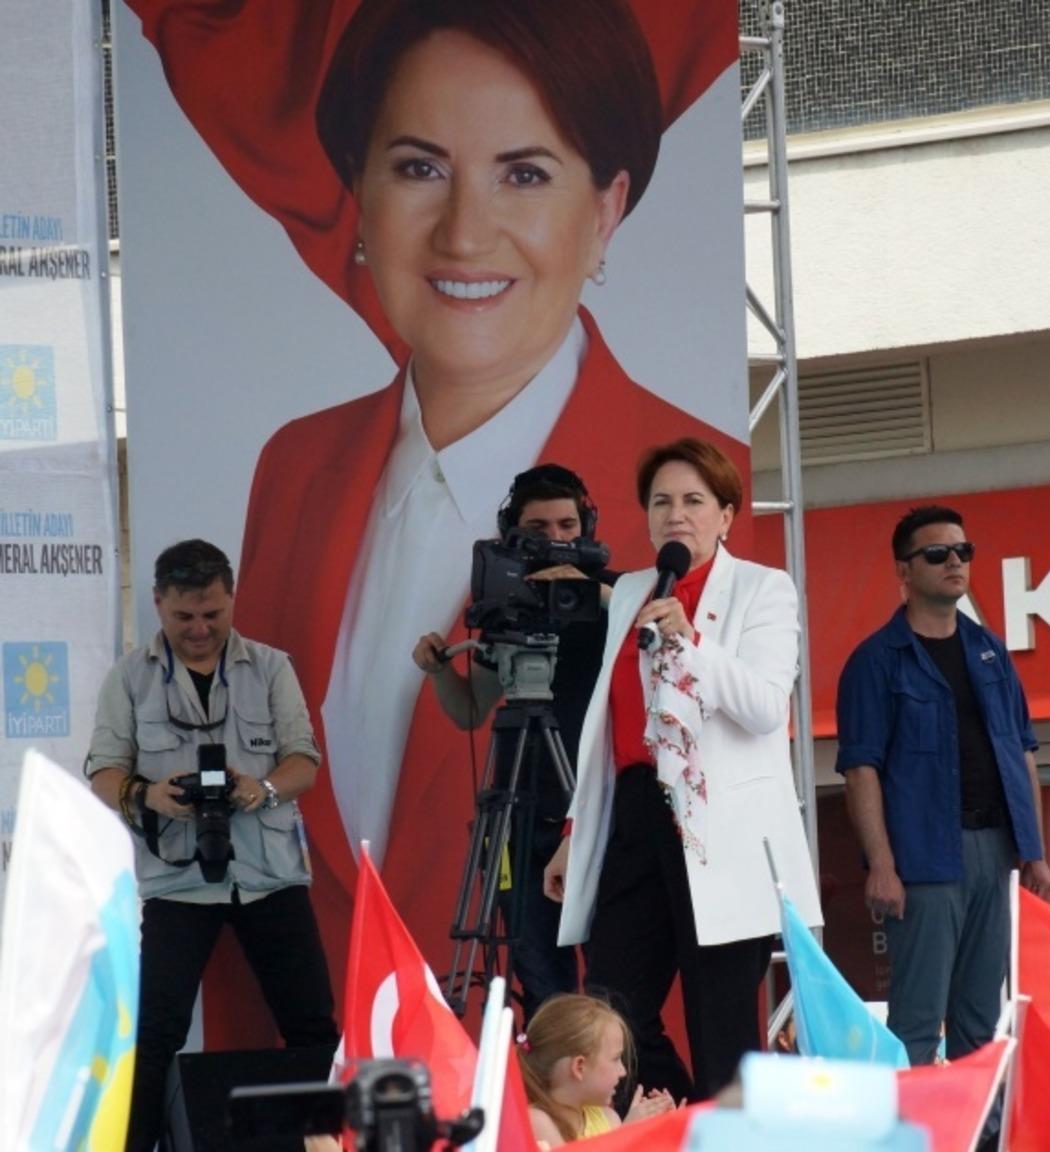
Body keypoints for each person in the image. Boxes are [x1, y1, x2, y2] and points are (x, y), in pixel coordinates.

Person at [127, 0, 747, 1043]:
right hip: (335, 1065)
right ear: (358, 200)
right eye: (417, 167)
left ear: (607, 209)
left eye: (524, 172)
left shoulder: (688, 502)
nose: (464, 231)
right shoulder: (297, 465)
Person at [545, 438, 823, 1102]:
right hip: (638, 812)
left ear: (726, 514)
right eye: (662, 502)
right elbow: (610, 727)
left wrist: (691, 642)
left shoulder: (764, 588)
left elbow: (762, 706)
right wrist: (576, 830)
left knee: (722, 1024)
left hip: (719, 828)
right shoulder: (635, 590)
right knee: (610, 1009)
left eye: (695, 501)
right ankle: (673, 1115)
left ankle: (724, 1128)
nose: (677, 515)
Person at [85, 540, 338, 1152]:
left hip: (271, 873)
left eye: (212, 615)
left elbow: (304, 760)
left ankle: (333, 1141)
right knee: (155, 1029)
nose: (199, 630)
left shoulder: (272, 666)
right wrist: (150, 795)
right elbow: (102, 771)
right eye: (183, 617)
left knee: (311, 1024)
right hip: (177, 882)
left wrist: (264, 788)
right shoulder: (129, 676)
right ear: (157, 605)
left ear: (231, 602)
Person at [835, 505, 1050, 1067]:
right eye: (937, 554)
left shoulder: (991, 651)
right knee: (914, 1022)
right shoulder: (874, 662)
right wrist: (881, 864)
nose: (955, 561)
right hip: (924, 859)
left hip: (995, 849)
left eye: (963, 551)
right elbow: (861, 770)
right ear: (904, 571)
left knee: (981, 1025)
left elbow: (1023, 752)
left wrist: (1034, 854)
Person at [412, 464, 612, 1019]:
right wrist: (437, 672)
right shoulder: (506, 602)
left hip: (596, 814)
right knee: (540, 984)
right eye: (538, 528)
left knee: (611, 979)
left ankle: (612, 1097)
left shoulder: (618, 598)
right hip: (520, 816)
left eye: (568, 524)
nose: (556, 539)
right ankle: (547, 1095)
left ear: (587, 525)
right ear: (512, 534)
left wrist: (590, 593)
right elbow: (471, 709)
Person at [518, 994, 678, 1146]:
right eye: (616, 1059)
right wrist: (626, 1135)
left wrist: (665, 1131)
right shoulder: (537, 1122)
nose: (623, 1071)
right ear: (579, 1067)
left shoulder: (609, 1118)